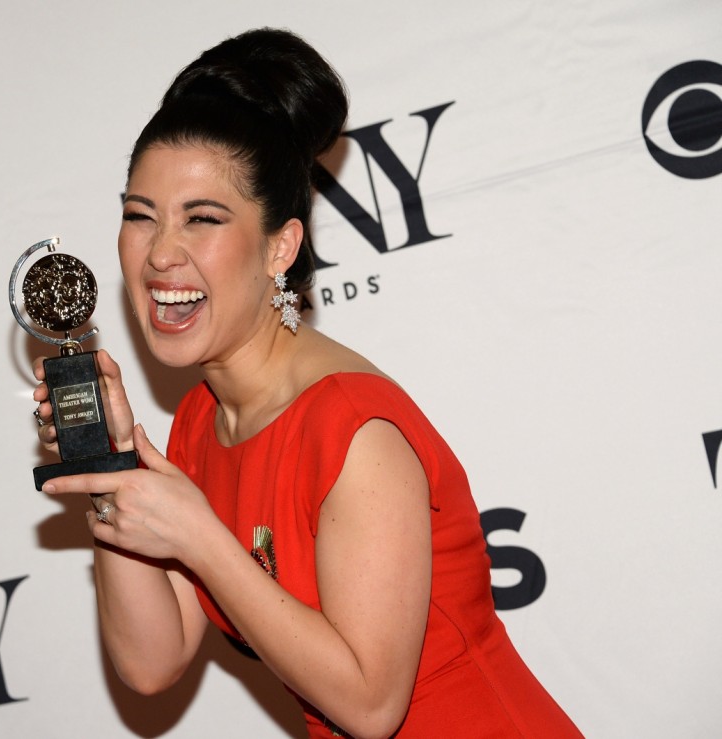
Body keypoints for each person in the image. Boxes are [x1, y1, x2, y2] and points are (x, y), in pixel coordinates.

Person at [33, 27, 582, 738]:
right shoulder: (203, 421)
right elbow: (151, 660)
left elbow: (370, 704)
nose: (161, 252)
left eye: (202, 219)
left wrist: (203, 538)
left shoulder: (354, 429)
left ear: (281, 247)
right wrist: (106, 463)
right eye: (141, 216)